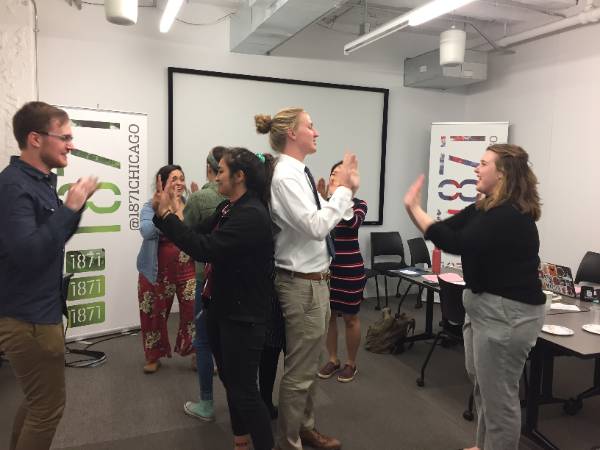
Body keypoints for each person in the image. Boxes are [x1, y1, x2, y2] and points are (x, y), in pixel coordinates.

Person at [403, 144, 545, 450]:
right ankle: (483, 445)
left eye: (483, 163)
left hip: (507, 316)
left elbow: (456, 242)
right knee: (484, 388)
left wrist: (414, 208)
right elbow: (443, 229)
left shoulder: (509, 215)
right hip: (484, 310)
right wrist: (416, 212)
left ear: (503, 172)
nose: (476, 169)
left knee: (499, 400)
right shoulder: (486, 208)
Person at [152, 147, 276, 450]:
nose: (215, 175)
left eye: (220, 170)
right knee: (232, 385)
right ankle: (240, 441)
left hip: (243, 317)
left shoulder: (252, 215)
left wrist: (168, 214)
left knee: (245, 391)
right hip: (222, 309)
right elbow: (195, 233)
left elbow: (205, 248)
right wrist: (171, 211)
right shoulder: (228, 208)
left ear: (239, 176)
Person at [256, 107, 359, 450]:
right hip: (301, 284)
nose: (316, 132)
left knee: (309, 367)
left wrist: (345, 191)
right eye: (310, 126)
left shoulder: (296, 173)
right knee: (300, 372)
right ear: (291, 134)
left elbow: (321, 219)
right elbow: (317, 227)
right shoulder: (286, 176)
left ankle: (306, 429)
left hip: (314, 281)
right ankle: (290, 442)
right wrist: (343, 190)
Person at [0, 101, 98, 450]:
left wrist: (77, 204)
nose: (71, 144)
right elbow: (29, 254)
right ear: (35, 139)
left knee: (35, 400)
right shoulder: (13, 187)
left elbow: (52, 241)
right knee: (47, 408)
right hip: (29, 320)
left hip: (39, 312)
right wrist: (70, 207)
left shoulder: (39, 182)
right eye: (65, 137)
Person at [136, 165, 196, 374]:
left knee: (193, 311)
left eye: (182, 178)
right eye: (174, 178)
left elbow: (199, 233)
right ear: (161, 182)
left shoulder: (189, 205)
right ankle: (153, 356)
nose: (179, 182)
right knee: (154, 314)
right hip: (156, 271)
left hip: (187, 268)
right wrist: (160, 211)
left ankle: (196, 352)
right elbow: (146, 232)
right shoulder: (150, 206)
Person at [182, 146, 226, 421]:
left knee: (204, 341)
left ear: (208, 167)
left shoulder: (199, 199)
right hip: (235, 280)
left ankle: (207, 404)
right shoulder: (240, 196)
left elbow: (186, 236)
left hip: (205, 279)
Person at [317, 161, 368, 383]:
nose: (332, 177)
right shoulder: (324, 205)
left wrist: (341, 198)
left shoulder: (358, 205)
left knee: (350, 318)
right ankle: (333, 358)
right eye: (331, 173)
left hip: (350, 270)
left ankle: (351, 363)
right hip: (327, 270)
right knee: (329, 318)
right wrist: (318, 202)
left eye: (338, 174)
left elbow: (352, 222)